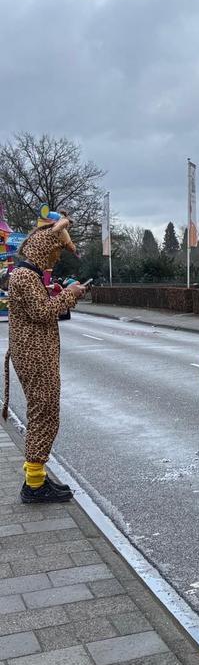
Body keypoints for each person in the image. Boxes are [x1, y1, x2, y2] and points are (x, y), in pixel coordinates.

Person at [1, 215, 87, 503]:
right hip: (35, 355)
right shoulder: (26, 276)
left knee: (44, 412)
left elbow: (37, 308)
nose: (56, 258)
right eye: (55, 252)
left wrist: (56, 294)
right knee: (44, 414)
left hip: (35, 354)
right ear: (43, 249)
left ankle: (35, 475)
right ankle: (34, 485)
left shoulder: (26, 275)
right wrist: (70, 295)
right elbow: (41, 312)